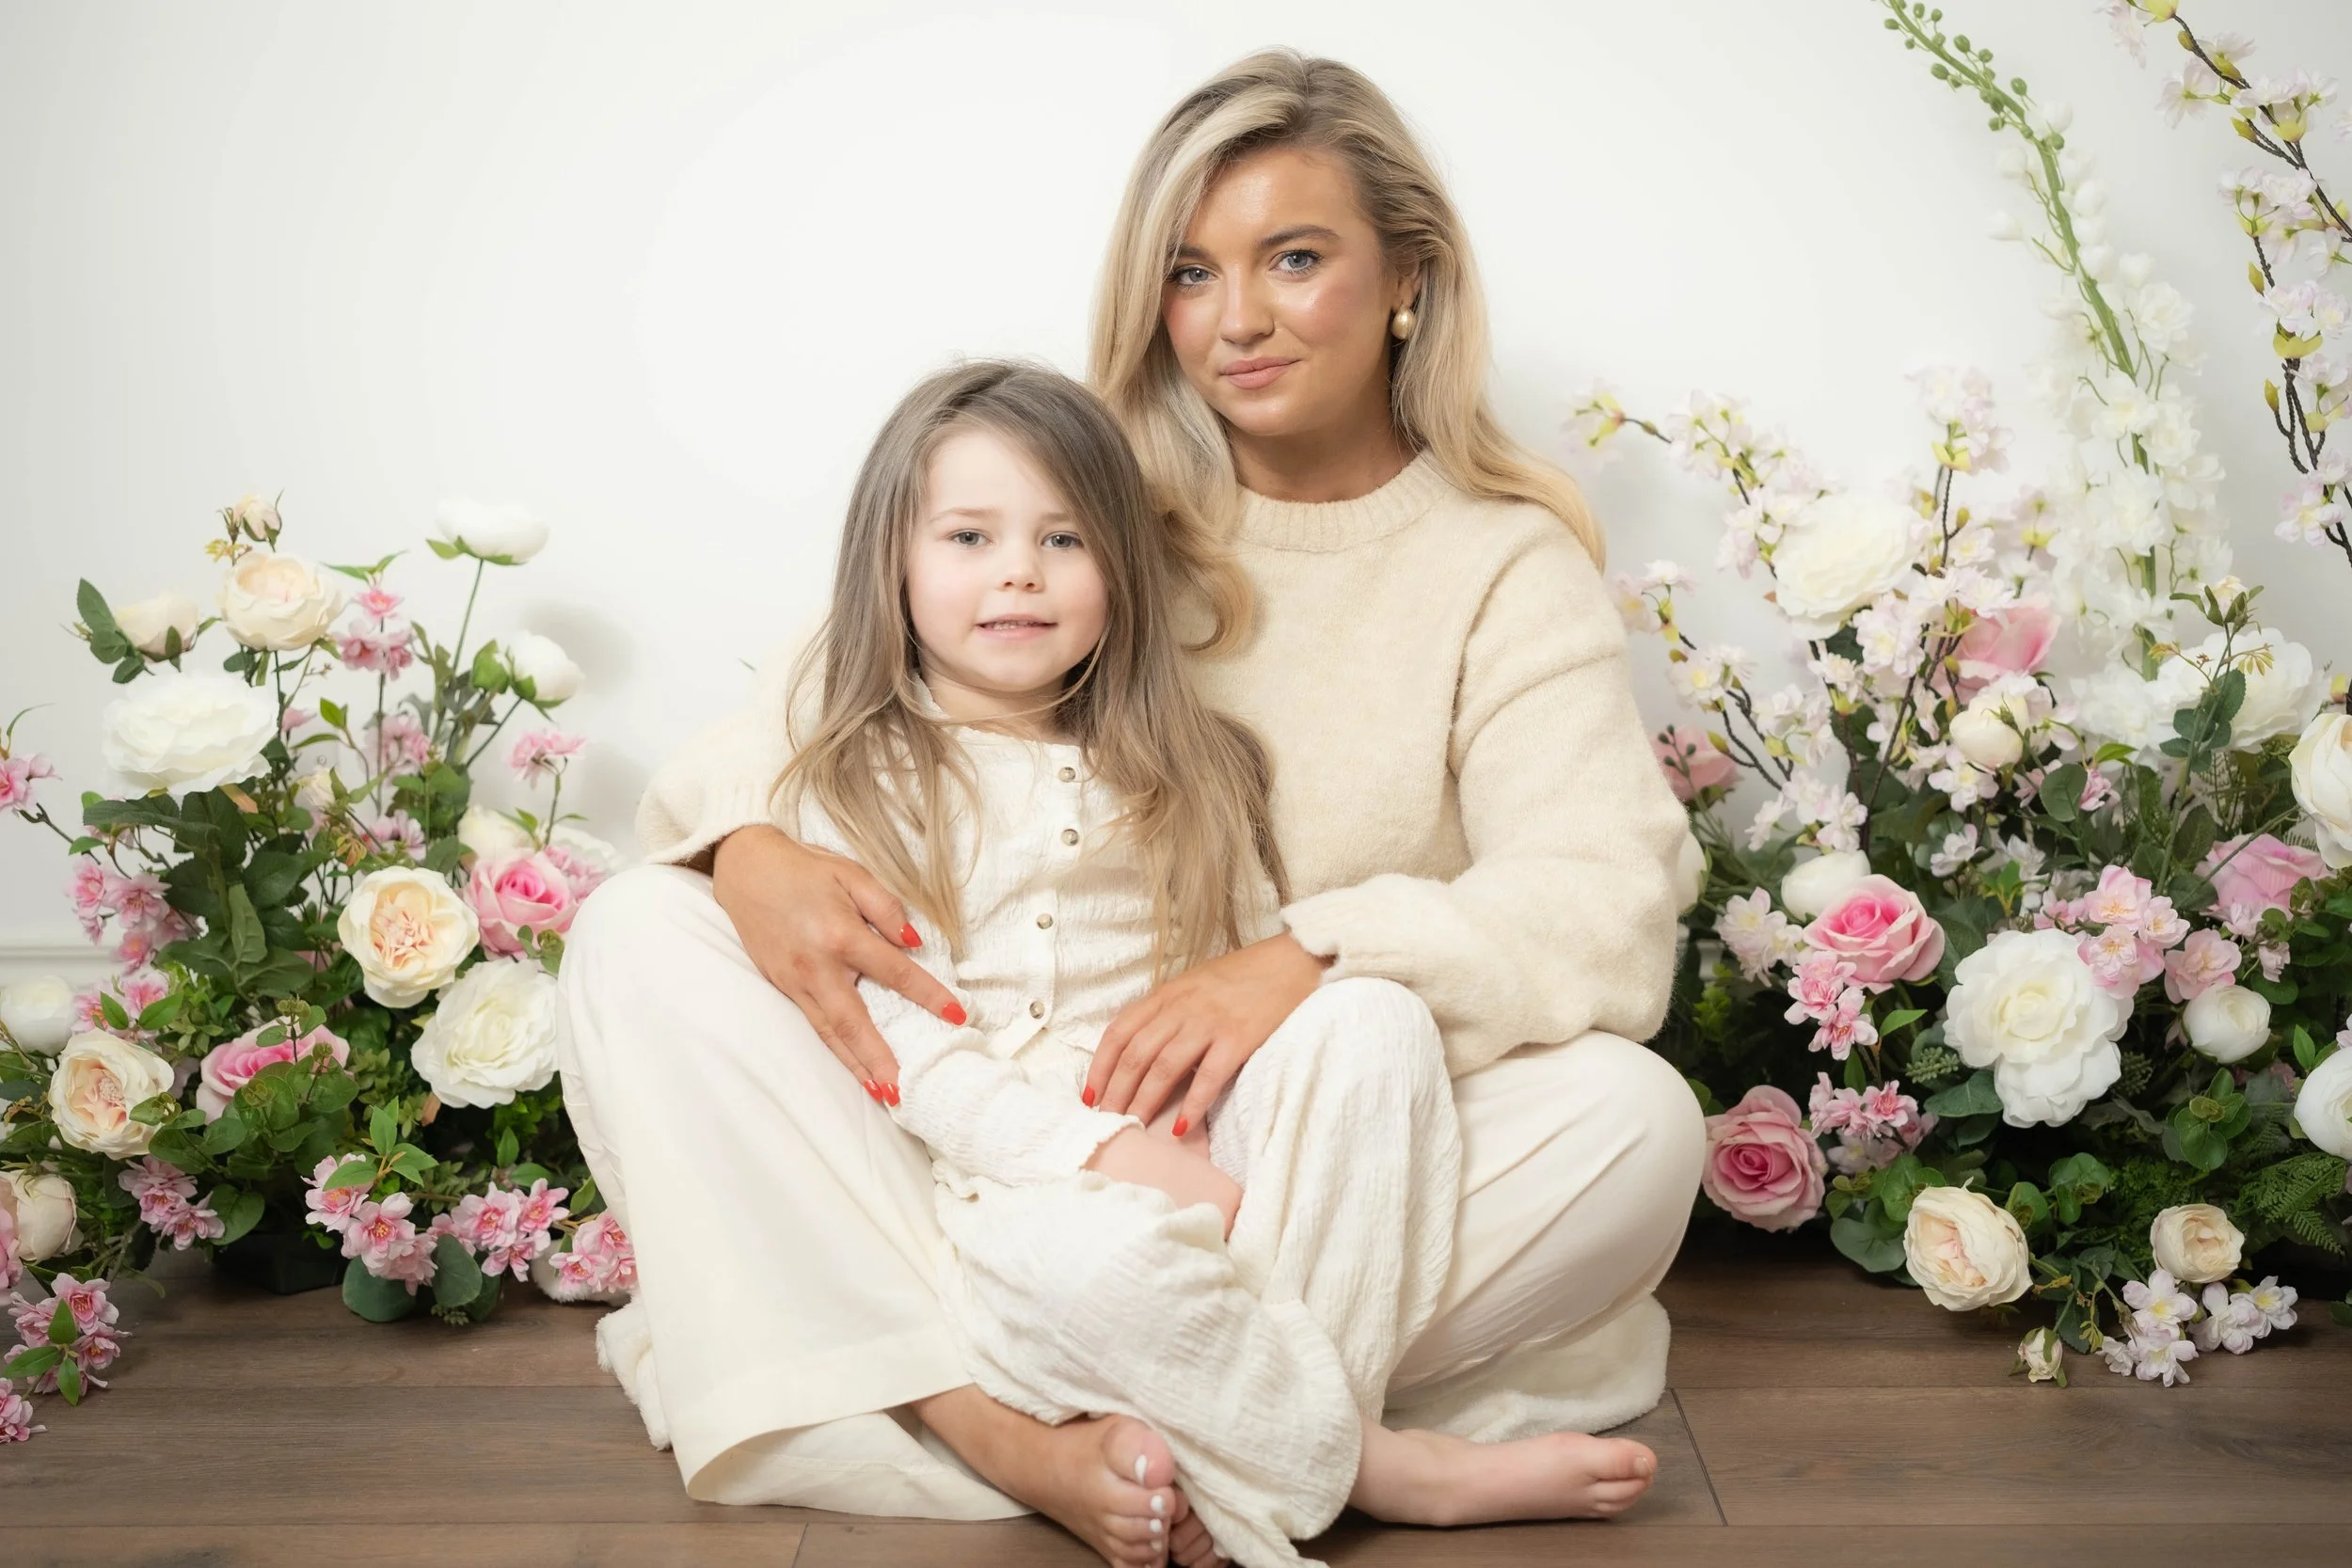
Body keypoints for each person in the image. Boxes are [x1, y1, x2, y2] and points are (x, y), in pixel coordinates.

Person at [557, 47, 1705, 1568]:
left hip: (1278, 1149)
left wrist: (1304, 955)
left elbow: (1604, 903)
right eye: (1189, 272)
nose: (1237, 319)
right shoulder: (1084, 496)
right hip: (979, 1110)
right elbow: (795, 720)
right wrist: (754, 849)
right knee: (643, 929)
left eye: (1295, 258)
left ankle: (1107, 1370)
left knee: (1634, 1121)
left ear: (1407, 276)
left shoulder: (1503, 564)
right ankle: (1028, 1425)